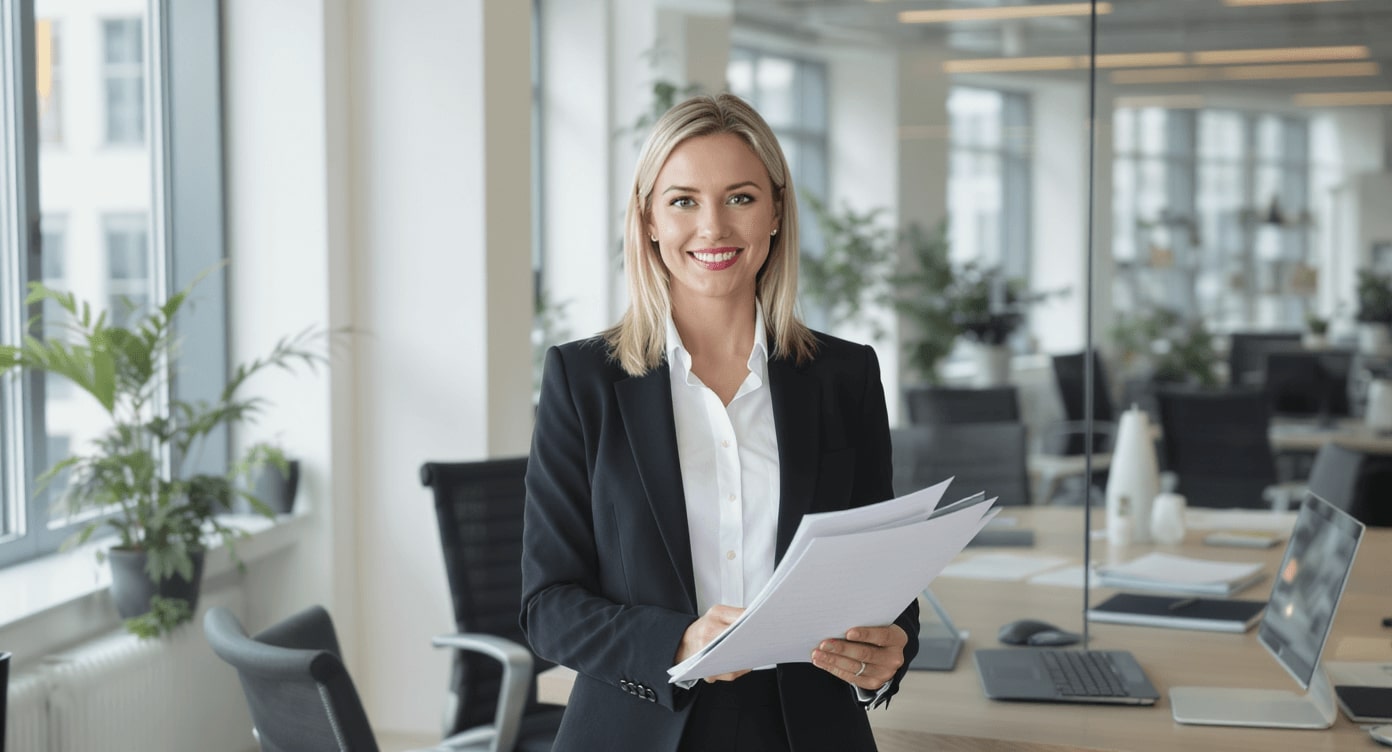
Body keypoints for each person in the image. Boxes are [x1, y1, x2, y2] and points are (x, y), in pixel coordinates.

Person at [521, 93, 919, 752]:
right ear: (648, 219)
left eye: (740, 198)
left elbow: (878, 576)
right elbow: (549, 606)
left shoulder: (843, 377)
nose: (713, 227)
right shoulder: (583, 380)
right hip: (636, 724)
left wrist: (892, 646)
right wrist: (679, 640)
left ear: (776, 212)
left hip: (807, 729)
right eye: (683, 201)